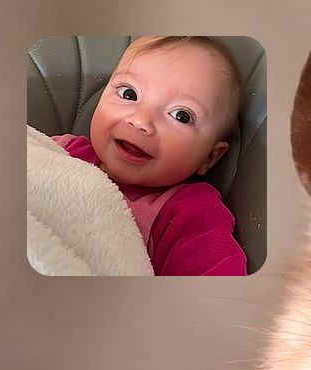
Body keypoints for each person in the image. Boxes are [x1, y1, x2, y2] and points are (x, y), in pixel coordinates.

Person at [53, 36, 247, 275]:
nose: (140, 120)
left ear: (210, 157)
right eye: (128, 94)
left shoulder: (194, 212)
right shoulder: (61, 151)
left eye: (181, 116)